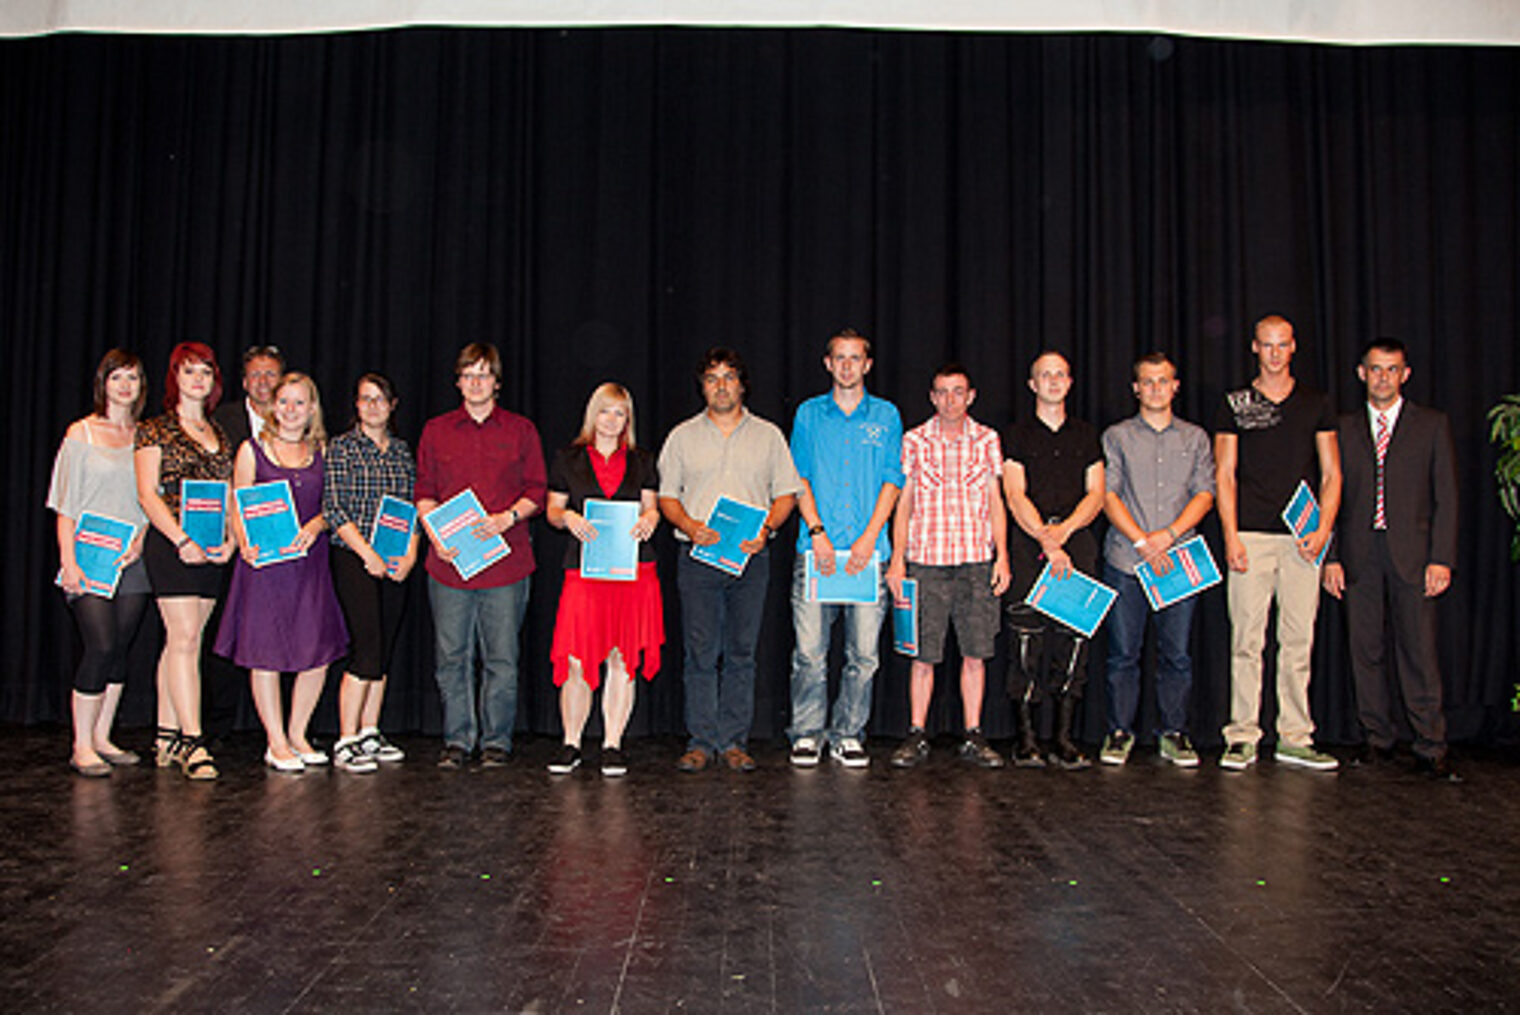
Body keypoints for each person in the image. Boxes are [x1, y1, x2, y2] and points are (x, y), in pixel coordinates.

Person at [1323, 339, 1460, 781]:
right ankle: (1376, 739)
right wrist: (1333, 557)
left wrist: (1441, 558)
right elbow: (1331, 498)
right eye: (1375, 369)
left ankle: (1430, 745)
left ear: (1406, 374)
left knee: (1418, 650)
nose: (1383, 377)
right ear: (1361, 373)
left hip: (1414, 556)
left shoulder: (1432, 425)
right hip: (1360, 553)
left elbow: (1447, 497)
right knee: (1365, 651)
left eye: (1391, 369)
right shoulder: (1342, 428)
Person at [659, 347, 799, 773]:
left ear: (743, 384)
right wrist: (688, 522)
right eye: (712, 378)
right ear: (702, 386)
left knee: (741, 652)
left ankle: (735, 741)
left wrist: (767, 529)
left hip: (749, 559)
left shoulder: (769, 435)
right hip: (697, 556)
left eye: (729, 377)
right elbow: (667, 496)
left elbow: (786, 494)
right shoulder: (682, 436)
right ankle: (701, 741)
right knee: (701, 653)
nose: (721, 386)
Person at [1215, 314, 1341, 771]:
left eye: (1281, 344)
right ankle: (1242, 734)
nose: (1274, 352)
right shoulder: (1235, 402)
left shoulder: (1316, 402)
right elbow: (1223, 474)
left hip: (1302, 540)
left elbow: (1332, 473)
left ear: (1293, 348)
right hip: (1249, 535)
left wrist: (1323, 528)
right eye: (1266, 344)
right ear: (1254, 347)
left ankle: (1295, 735)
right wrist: (1229, 535)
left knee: (1298, 640)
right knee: (1247, 641)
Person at [416, 342, 546, 770]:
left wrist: (507, 518)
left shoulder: (521, 429)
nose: (475, 383)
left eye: (483, 374)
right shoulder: (436, 430)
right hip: (449, 563)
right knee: (451, 658)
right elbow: (425, 492)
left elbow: (537, 492)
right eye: (467, 374)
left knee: (501, 660)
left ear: (496, 382)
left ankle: (496, 742)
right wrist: (435, 533)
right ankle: (457, 740)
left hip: (506, 565)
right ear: (457, 382)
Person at [215, 373, 349, 771]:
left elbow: (335, 505)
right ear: (273, 407)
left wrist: (317, 524)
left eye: (300, 402)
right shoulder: (251, 451)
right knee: (265, 654)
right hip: (265, 568)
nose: (291, 411)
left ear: (312, 408)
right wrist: (244, 541)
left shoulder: (324, 451)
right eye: (284, 402)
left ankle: (297, 733)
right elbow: (237, 505)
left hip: (310, 566)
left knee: (317, 653)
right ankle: (275, 741)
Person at [786, 328, 902, 768]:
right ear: (828, 364)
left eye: (856, 358)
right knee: (810, 654)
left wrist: (871, 536)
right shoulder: (809, 415)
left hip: (869, 554)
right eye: (841, 358)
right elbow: (800, 476)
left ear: (868, 365)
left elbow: (893, 478)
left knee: (865, 655)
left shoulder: (887, 416)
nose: (848, 366)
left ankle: (849, 732)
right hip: (816, 551)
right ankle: (808, 733)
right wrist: (817, 533)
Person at [886, 363, 1011, 769]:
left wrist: (1002, 557)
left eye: (958, 392)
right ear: (931, 397)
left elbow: (996, 501)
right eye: (942, 392)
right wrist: (897, 561)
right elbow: (903, 504)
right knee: (923, 655)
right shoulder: (915, 440)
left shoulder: (988, 439)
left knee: (975, 653)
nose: (950, 400)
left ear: (971, 396)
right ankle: (917, 733)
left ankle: (973, 734)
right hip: (927, 563)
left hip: (976, 562)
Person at [1098, 353, 1216, 767]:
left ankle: (1174, 732)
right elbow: (1108, 495)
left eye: (1162, 381)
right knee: (1123, 653)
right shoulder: (1117, 436)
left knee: (1177, 654)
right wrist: (1142, 540)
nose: (1155, 389)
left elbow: (1206, 493)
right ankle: (1118, 732)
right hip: (1126, 559)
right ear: (1135, 388)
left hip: (1180, 561)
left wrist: (1167, 536)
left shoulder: (1196, 438)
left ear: (1175, 386)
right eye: (1147, 382)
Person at [545, 383, 664, 777]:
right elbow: (552, 511)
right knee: (577, 660)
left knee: (621, 659)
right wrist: (568, 518)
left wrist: (650, 519)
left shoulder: (643, 460)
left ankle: (612, 744)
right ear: (592, 415)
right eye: (605, 412)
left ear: (628, 419)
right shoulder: (568, 459)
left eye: (620, 413)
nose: (612, 421)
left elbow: (653, 509)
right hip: (584, 571)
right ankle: (571, 743)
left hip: (633, 573)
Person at [48, 349, 152, 776]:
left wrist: (142, 542)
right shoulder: (81, 433)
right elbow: (64, 505)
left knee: (121, 651)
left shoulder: (146, 436)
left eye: (132, 378)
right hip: (88, 558)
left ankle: (103, 738)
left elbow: (150, 501)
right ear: (103, 383)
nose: (125, 386)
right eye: (117, 378)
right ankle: (81, 744)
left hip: (132, 558)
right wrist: (69, 563)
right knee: (101, 645)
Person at [1001, 351, 1106, 769]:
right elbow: (1013, 494)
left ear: (1070, 381)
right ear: (1032, 384)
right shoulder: (1017, 434)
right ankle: (1027, 739)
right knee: (1026, 643)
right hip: (1029, 547)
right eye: (1045, 375)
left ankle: (1063, 737)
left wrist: (1064, 535)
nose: (1053, 381)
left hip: (1076, 546)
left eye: (1060, 374)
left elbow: (1096, 494)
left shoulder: (1086, 434)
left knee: (1074, 643)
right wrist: (1046, 539)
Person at [134, 342, 235, 780]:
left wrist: (230, 539)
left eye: (206, 372)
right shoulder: (154, 429)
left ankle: (165, 736)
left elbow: (230, 495)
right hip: (173, 546)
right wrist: (180, 539)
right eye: (189, 371)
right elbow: (147, 494)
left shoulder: (220, 433)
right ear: (174, 377)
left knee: (181, 643)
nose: (198, 379)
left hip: (212, 549)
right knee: (185, 637)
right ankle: (194, 742)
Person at [322, 373, 419, 774]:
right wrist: (367, 555)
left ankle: (369, 731)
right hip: (353, 556)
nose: (373, 406)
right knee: (366, 645)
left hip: (394, 560)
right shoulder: (342, 449)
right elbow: (334, 509)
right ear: (356, 406)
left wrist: (410, 555)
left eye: (380, 399)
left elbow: (411, 509)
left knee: (383, 648)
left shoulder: (401, 452)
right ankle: (345, 738)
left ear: (392, 405)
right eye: (365, 400)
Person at [205, 345, 286, 743]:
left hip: (283, 549)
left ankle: (282, 730)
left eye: (270, 374)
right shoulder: (221, 421)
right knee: (225, 633)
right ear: (243, 382)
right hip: (233, 544)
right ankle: (216, 724)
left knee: (283, 633)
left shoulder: (296, 419)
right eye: (255, 375)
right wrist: (232, 535)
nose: (263, 383)